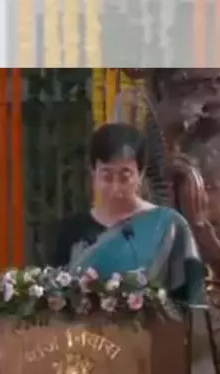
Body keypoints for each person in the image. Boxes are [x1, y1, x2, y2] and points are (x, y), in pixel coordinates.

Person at [45, 122, 204, 302]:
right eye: (107, 176)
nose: (115, 188)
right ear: (93, 173)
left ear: (141, 175)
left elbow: (192, 302)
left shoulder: (169, 227)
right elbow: (54, 302)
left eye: (124, 176)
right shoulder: (70, 232)